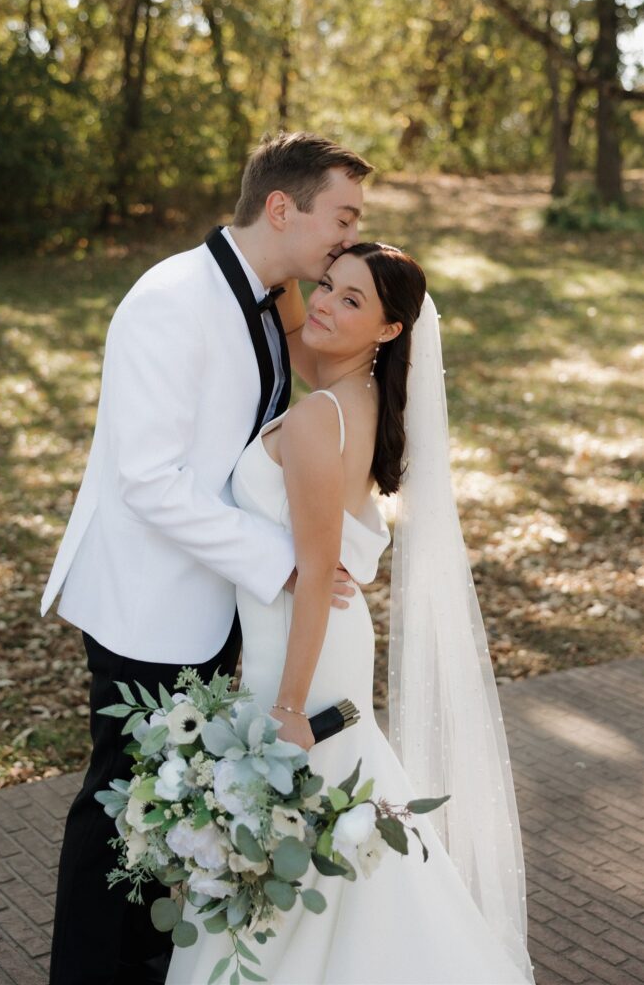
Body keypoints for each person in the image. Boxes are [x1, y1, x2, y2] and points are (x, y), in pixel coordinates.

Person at [39, 132, 373, 985]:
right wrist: (287, 558)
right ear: (280, 208)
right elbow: (148, 480)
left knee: (169, 809)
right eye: (343, 216)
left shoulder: (271, 296)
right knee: (118, 811)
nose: (349, 233)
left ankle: (143, 964)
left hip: (211, 598)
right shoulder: (172, 299)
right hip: (147, 606)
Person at [167, 244, 536, 983]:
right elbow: (309, 339)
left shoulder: (316, 422)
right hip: (314, 636)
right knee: (334, 819)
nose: (327, 305)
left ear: (391, 331)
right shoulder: (357, 394)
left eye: (352, 300)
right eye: (326, 287)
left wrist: (289, 707)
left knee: (305, 817)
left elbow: (311, 576)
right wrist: (282, 261)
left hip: (300, 648)